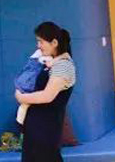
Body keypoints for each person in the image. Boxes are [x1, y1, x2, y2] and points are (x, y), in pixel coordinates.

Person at [14, 22, 75, 162]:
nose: (38, 46)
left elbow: (47, 96)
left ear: (54, 43)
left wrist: (21, 98)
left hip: (46, 129)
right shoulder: (52, 63)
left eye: (41, 41)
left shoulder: (63, 66)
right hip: (36, 128)